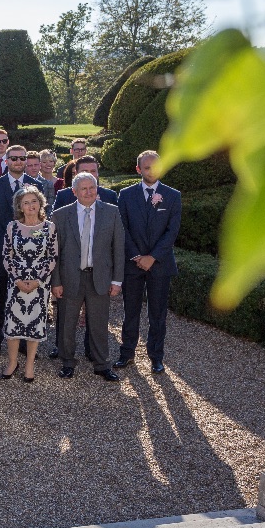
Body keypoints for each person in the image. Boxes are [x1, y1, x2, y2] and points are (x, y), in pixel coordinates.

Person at [51, 173, 126, 381]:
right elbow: (54, 252)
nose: (88, 192)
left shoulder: (111, 212)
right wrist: (55, 282)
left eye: (92, 187)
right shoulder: (60, 215)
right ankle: (67, 362)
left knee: (99, 323)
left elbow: (118, 248)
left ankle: (101, 364)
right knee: (67, 322)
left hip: (99, 277)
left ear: (97, 188)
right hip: (69, 279)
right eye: (83, 189)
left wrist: (116, 280)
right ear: (74, 192)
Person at [116, 151, 181, 374]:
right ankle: (126, 354)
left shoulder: (173, 196)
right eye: (146, 167)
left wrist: (152, 257)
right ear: (138, 170)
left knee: (158, 313)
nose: (151, 171)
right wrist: (137, 256)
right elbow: (122, 228)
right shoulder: (125, 195)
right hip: (132, 265)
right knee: (130, 311)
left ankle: (156, 357)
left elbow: (172, 232)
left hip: (160, 264)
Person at [0, 145, 43, 355]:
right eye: (13, 158)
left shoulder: (36, 185)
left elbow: (42, 220)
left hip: (29, 257)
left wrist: (26, 243)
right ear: (6, 161)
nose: (18, 161)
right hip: (0, 252)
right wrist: (12, 242)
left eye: (21, 158)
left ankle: (25, 342)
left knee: (25, 299)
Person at [1, 186, 58, 383]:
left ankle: (30, 364)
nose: (31, 205)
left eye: (34, 201)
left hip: (39, 284)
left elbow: (52, 257)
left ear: (40, 203)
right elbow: (6, 256)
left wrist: (38, 280)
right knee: (13, 324)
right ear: (20, 206)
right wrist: (16, 279)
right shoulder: (12, 227)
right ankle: (12, 362)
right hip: (15, 283)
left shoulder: (49, 227)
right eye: (26, 202)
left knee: (34, 324)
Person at [53, 156, 118, 209]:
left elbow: (116, 222)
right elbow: (55, 221)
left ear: (98, 173)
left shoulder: (110, 196)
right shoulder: (63, 196)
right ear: (76, 173)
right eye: (85, 171)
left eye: (93, 171)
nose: (89, 174)